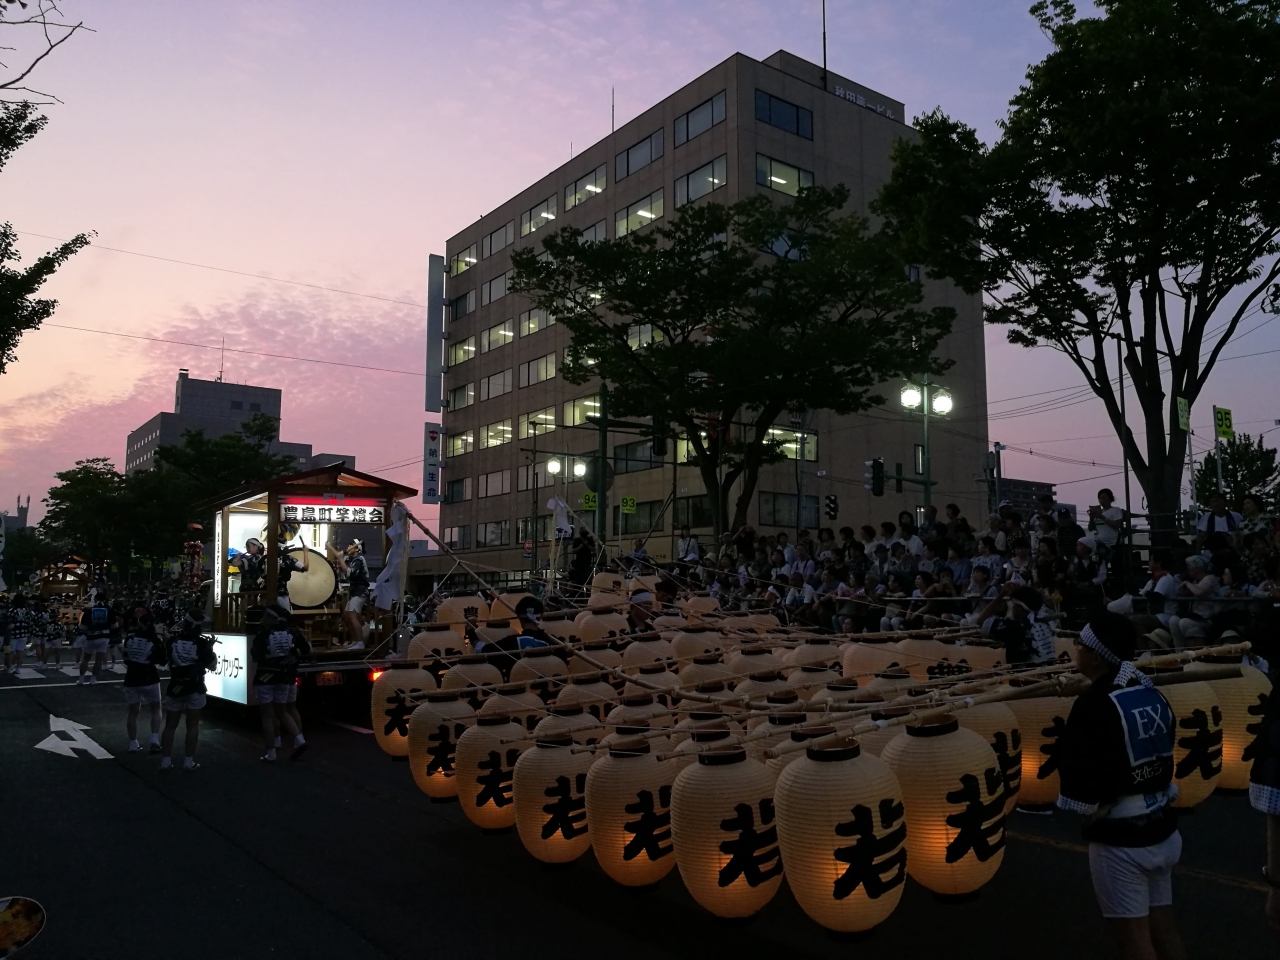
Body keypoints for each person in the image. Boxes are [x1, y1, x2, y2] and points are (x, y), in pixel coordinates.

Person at [1057, 612, 1186, 960]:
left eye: (1080, 645)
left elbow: (1080, 769)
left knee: (1134, 942)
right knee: (1165, 930)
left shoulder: (1094, 704)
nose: (1075, 650)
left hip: (1122, 838)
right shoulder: (1148, 691)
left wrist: (1089, 809)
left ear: (1096, 656)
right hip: (1162, 824)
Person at [251, 605, 310, 762]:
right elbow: (306, 650)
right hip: (285, 677)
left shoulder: (263, 634)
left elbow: (255, 655)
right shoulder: (293, 633)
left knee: (267, 716)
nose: (263, 619)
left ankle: (271, 752)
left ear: (272, 618)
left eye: (266, 616)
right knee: (283, 711)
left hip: (265, 677)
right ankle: (299, 739)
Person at [159, 613, 217, 771]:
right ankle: (188, 761)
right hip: (195, 686)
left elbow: (165, 661)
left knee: (170, 725)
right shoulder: (202, 643)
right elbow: (212, 666)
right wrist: (210, 647)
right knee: (192, 726)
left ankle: (165, 761)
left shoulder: (172, 641)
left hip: (175, 685)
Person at [121, 608, 166, 754]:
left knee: (133, 712)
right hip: (149, 677)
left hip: (131, 678)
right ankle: (154, 740)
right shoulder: (155, 641)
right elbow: (163, 661)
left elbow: (125, 659)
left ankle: (133, 743)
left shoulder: (129, 639)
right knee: (156, 708)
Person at [329, 539, 370, 647]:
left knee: (352, 616)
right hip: (354, 591)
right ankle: (355, 641)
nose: (348, 547)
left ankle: (360, 642)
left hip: (360, 591)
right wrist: (340, 558)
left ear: (357, 549)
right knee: (347, 616)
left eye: (351, 545)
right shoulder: (353, 559)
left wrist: (340, 558)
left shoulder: (359, 559)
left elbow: (349, 573)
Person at [77, 593, 118, 685]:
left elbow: (82, 627)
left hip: (92, 636)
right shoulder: (109, 610)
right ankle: (93, 679)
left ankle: (81, 679)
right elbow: (114, 626)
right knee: (99, 659)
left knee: (86, 658)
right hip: (105, 637)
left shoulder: (89, 610)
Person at [4, 593, 31, 674]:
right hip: (23, 633)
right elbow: (29, 621)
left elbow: (8, 621)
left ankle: (10, 667)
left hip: (13, 633)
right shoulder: (27, 611)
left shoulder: (12, 611)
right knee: (20, 651)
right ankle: (18, 668)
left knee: (10, 651)